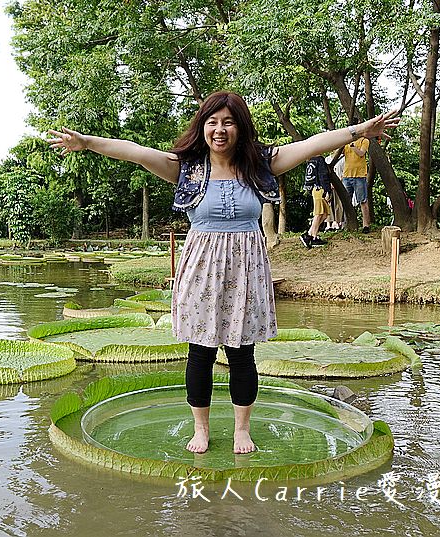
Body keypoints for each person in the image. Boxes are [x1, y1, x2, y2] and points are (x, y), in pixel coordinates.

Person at [48, 92, 399, 454]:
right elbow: (134, 151)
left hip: (247, 268)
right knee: (200, 352)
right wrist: (85, 142)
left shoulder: (261, 163)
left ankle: (241, 430)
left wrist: (361, 130)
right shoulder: (186, 167)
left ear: (240, 127)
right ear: (202, 127)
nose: (220, 130)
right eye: (212, 122)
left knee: (242, 353)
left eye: (228, 122)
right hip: (201, 269)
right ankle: (201, 429)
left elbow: (310, 145)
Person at [342, 121, 372, 233]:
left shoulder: (365, 141)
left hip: (359, 175)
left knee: (363, 201)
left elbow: (361, 153)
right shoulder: (346, 143)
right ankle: (347, 224)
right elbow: (339, 153)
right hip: (346, 175)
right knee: (346, 201)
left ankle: (366, 225)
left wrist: (353, 146)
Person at [300, 155, 332, 248]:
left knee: (324, 214)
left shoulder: (310, 161)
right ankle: (313, 237)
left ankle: (310, 234)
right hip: (320, 189)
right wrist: (327, 190)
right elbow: (323, 176)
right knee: (318, 214)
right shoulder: (319, 160)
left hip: (315, 189)